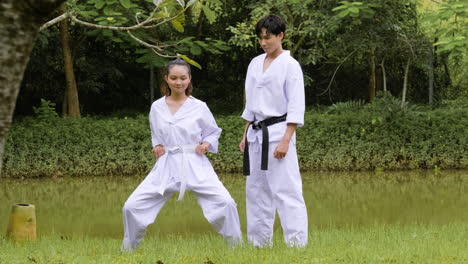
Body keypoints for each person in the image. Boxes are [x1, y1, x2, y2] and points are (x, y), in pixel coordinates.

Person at [122, 58, 242, 252]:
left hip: (194, 162)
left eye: (183, 78)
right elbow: (156, 134)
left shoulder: (199, 106)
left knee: (226, 203)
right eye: (174, 78)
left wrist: (205, 144)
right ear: (166, 79)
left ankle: (237, 248)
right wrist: (157, 146)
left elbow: (213, 131)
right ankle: (128, 250)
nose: (179, 82)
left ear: (189, 79)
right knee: (131, 206)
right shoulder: (157, 107)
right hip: (167, 164)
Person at [239, 14, 308, 247]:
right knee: (256, 190)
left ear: (281, 36)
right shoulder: (254, 63)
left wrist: (286, 140)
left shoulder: (290, 66)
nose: (264, 42)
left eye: (268, 37)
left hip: (279, 131)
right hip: (256, 133)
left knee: (286, 190)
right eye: (260, 38)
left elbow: (296, 106)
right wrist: (245, 134)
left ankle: (297, 245)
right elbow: (251, 103)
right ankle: (259, 244)